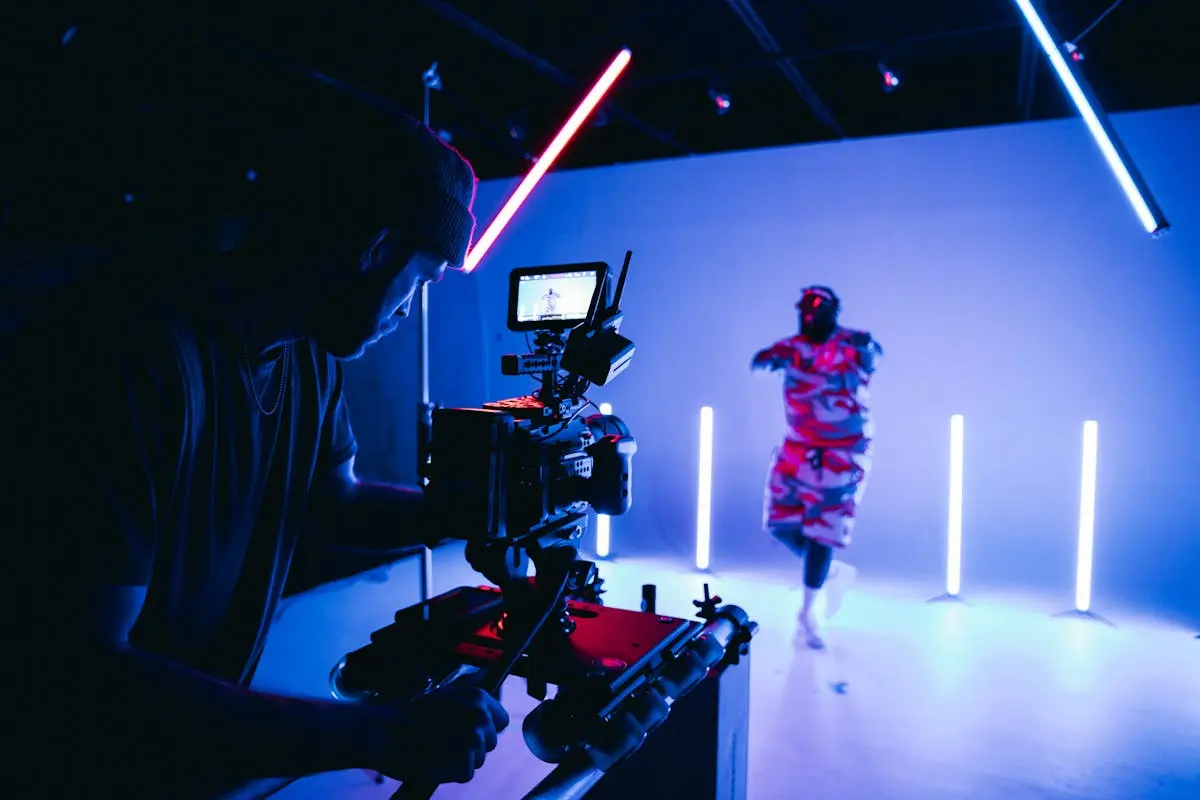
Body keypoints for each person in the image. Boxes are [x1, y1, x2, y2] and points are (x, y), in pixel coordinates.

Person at [1, 112, 509, 797]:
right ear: (375, 247)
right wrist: (387, 734)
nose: (409, 311)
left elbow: (332, 502)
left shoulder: (308, 356)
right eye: (419, 281)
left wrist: (475, 510)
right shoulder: (131, 353)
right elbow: (92, 667)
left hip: (180, 763)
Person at [751, 285, 883, 649]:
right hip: (798, 446)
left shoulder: (853, 343)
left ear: (832, 312)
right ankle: (829, 573)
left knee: (822, 532)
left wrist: (868, 351)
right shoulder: (791, 348)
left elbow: (874, 356)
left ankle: (810, 613)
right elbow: (761, 361)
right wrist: (769, 362)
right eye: (804, 310)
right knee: (778, 523)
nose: (808, 316)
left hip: (842, 453)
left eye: (817, 310)